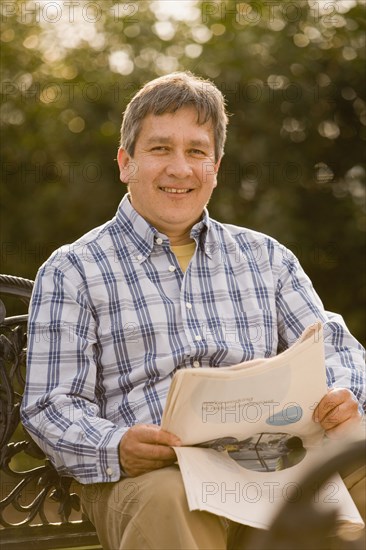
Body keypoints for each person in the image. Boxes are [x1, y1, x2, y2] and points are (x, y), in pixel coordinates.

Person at [21, 72, 365, 549]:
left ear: (215, 167)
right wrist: (117, 446)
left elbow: (337, 349)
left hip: (275, 461)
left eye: (197, 151)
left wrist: (345, 394)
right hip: (156, 475)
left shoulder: (266, 257)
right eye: (160, 149)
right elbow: (50, 405)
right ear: (126, 163)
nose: (180, 168)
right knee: (170, 498)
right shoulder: (73, 269)